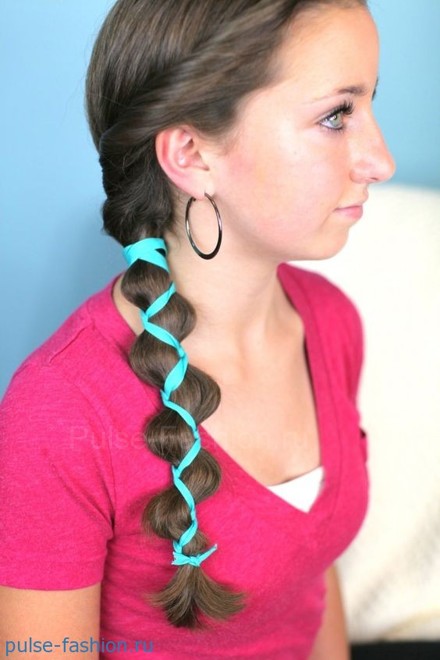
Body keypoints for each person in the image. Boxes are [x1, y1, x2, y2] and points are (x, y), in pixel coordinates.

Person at [0, 0, 394, 658]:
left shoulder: (329, 323)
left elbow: (308, 577)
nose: (380, 160)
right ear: (191, 154)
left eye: (370, 104)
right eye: (336, 116)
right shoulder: (60, 411)